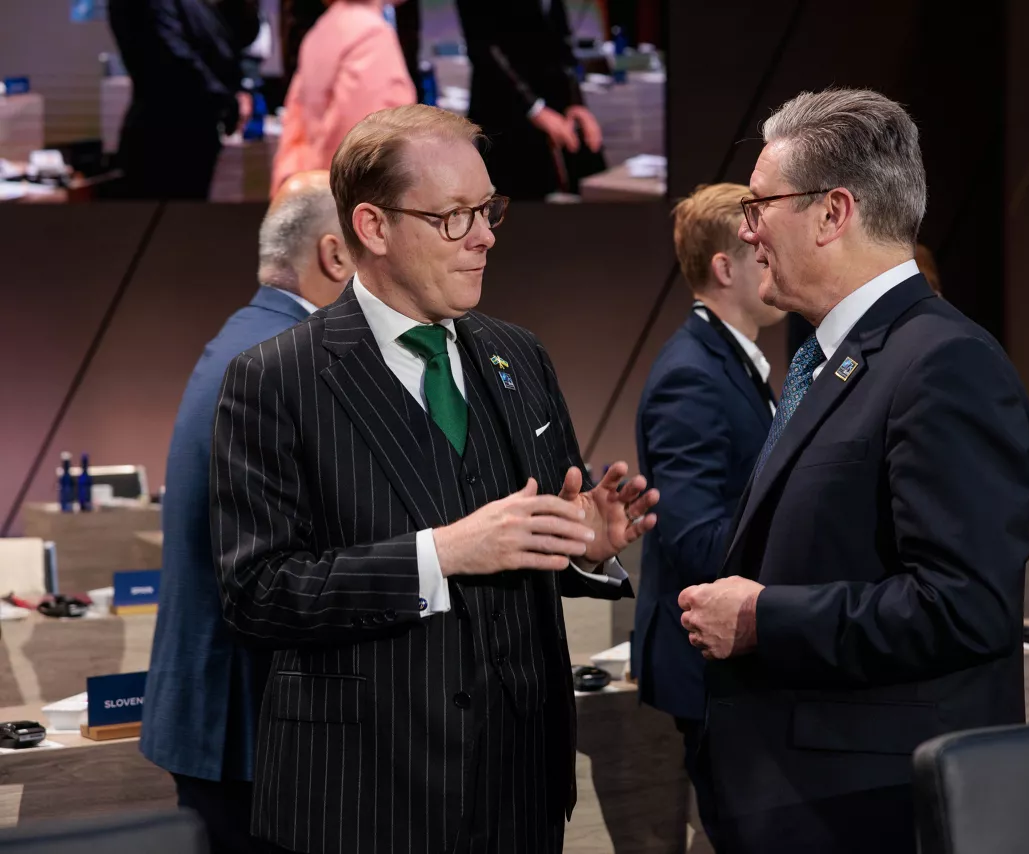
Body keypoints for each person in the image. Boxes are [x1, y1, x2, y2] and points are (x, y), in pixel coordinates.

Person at [211, 104, 658, 854]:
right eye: (453, 216)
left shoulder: (520, 356)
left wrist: (585, 546)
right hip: (365, 800)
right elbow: (256, 594)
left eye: (488, 210)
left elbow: (538, 539)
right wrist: (439, 555)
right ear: (374, 228)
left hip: (521, 792)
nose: (484, 235)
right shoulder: (273, 380)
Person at [676, 88, 1029, 854]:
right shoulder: (837, 357)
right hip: (798, 795)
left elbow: (964, 605)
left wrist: (761, 618)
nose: (747, 229)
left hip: (863, 808)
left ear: (832, 212)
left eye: (759, 203)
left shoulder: (945, 363)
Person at [140, 171, 354, 854]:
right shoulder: (284, 362)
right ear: (335, 255)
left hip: (228, 714)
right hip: (251, 724)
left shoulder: (247, 337)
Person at [633, 182, 784, 850]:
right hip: (711, 667)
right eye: (758, 249)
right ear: (725, 268)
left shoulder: (732, 361)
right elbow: (694, 536)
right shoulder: (692, 374)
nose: (772, 259)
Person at [108, 0, 260, 199]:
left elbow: (231, 39)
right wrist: (227, 100)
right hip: (162, 142)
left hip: (199, 137)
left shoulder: (195, 6)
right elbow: (173, 64)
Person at [455, 0, 606, 200]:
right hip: (504, 112)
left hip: (557, 109)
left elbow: (562, 41)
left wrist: (576, 104)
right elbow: (484, 48)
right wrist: (535, 109)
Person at [271, 0, 417, 195]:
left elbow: (295, 125)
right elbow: (360, 140)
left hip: (319, 190)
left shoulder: (322, 29)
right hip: (349, 200)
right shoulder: (370, 34)